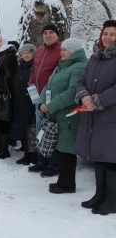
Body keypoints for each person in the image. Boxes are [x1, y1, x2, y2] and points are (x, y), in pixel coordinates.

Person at [75, 20, 116, 215]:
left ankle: (113, 199)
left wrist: (98, 100)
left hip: (111, 116)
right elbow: (82, 81)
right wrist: (84, 96)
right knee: (98, 156)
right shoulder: (94, 58)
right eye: (105, 33)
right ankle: (100, 194)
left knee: (112, 158)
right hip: (93, 117)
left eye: (113, 34)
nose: (108, 37)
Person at [37, 38, 87, 192]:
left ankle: (67, 184)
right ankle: (63, 181)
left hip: (69, 116)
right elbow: (47, 86)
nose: (62, 52)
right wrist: (41, 102)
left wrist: (51, 106)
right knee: (61, 148)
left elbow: (72, 92)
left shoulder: (79, 67)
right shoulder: (61, 67)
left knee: (67, 149)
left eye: (65, 50)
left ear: (74, 52)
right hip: (58, 114)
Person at [28, 24, 61, 174]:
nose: (48, 35)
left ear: (57, 35)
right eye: (45, 33)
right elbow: (35, 70)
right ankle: (41, 161)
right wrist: (30, 83)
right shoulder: (40, 51)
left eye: (51, 32)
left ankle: (53, 165)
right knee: (40, 131)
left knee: (51, 132)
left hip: (51, 99)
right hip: (37, 98)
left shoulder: (61, 51)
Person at [11, 43, 36, 164]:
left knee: (30, 129)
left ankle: (32, 155)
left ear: (33, 54)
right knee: (23, 128)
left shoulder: (34, 67)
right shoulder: (21, 67)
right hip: (19, 100)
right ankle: (26, 153)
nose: (26, 55)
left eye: (28, 52)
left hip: (30, 101)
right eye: (24, 53)